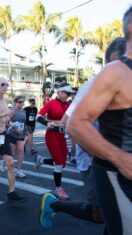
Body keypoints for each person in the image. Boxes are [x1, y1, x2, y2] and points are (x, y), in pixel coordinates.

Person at [39, 36, 126, 230]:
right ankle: (53, 203)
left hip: (118, 163)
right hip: (97, 164)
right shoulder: (94, 84)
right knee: (104, 216)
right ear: (114, 58)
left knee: (114, 218)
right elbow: (70, 124)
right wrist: (104, 157)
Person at [67, 8, 132, 235]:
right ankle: (55, 203)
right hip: (113, 172)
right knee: (103, 217)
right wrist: (119, 158)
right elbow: (74, 123)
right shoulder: (115, 73)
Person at [35, 82, 73, 200]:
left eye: (68, 93)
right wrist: (47, 123)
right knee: (59, 163)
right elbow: (38, 116)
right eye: (66, 93)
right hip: (52, 135)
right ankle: (58, 189)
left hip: (62, 135)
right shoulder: (51, 103)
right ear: (60, 92)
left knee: (62, 163)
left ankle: (41, 160)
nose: (67, 95)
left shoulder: (69, 104)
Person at [2, 95, 27, 178]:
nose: (22, 103)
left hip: (21, 134)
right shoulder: (12, 111)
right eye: (20, 102)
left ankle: (19, 170)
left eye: (23, 102)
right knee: (12, 153)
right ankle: (4, 162)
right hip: (12, 134)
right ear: (15, 103)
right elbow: (6, 122)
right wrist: (15, 128)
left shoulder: (24, 111)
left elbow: (24, 123)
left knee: (21, 151)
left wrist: (26, 131)